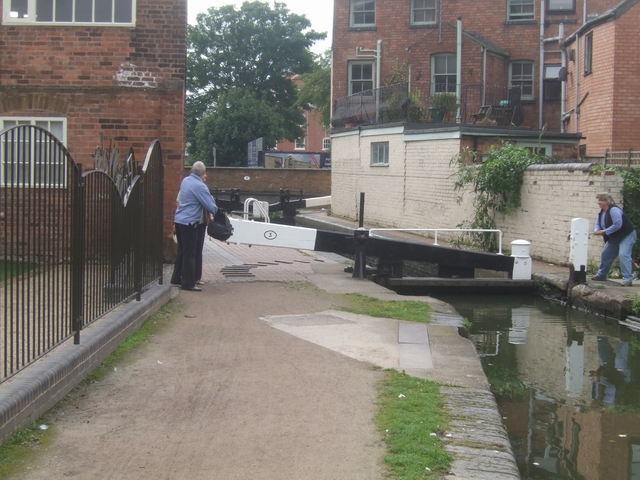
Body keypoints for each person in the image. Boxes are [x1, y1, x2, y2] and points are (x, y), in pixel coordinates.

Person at [170, 162, 217, 291]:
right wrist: (217, 212)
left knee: (182, 251)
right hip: (190, 223)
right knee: (190, 253)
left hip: (179, 220)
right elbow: (210, 205)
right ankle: (188, 283)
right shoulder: (200, 186)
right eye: (205, 173)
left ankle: (176, 278)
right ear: (203, 172)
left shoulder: (185, 181)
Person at [591, 192, 637, 286]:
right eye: (598, 200)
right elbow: (598, 223)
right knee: (606, 253)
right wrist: (596, 230)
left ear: (606, 201)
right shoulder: (602, 212)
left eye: (600, 200)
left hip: (627, 235)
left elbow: (617, 225)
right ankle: (602, 275)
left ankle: (628, 279)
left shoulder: (614, 210)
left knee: (624, 254)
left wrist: (604, 231)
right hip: (615, 237)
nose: (598, 202)